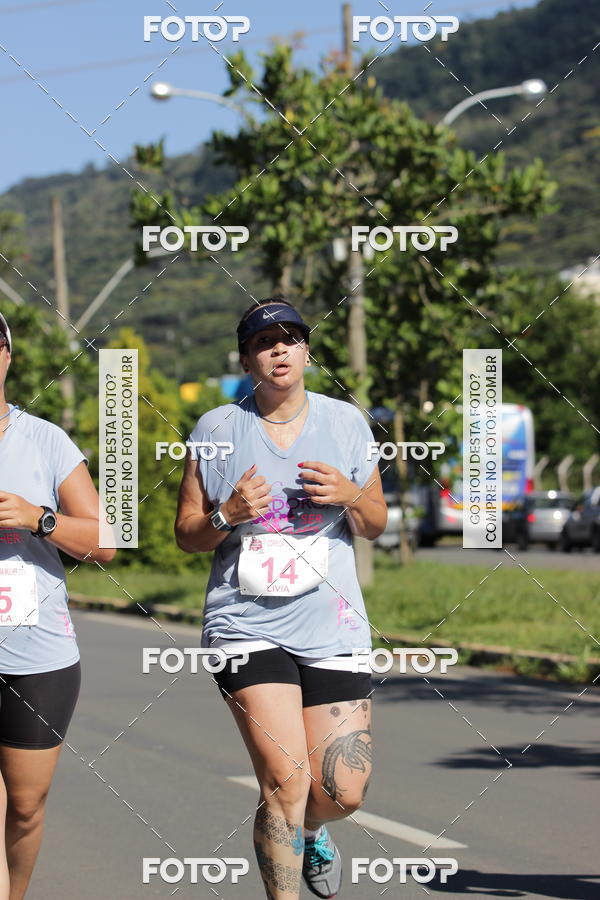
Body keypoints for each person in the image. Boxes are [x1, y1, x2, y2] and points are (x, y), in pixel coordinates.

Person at [175, 298, 387, 899]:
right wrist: (227, 512)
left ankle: (314, 831)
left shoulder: (346, 423)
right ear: (247, 358)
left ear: (307, 351)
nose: (279, 349)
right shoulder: (217, 429)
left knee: (343, 791)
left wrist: (349, 493)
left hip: (333, 626)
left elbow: (374, 523)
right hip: (246, 625)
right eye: (265, 341)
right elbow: (188, 533)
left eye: (290, 338)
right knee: (284, 780)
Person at [0, 312, 116, 900]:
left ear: (6, 357)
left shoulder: (44, 440)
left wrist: (37, 517)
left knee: (24, 806)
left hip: (38, 654)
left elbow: (106, 542)